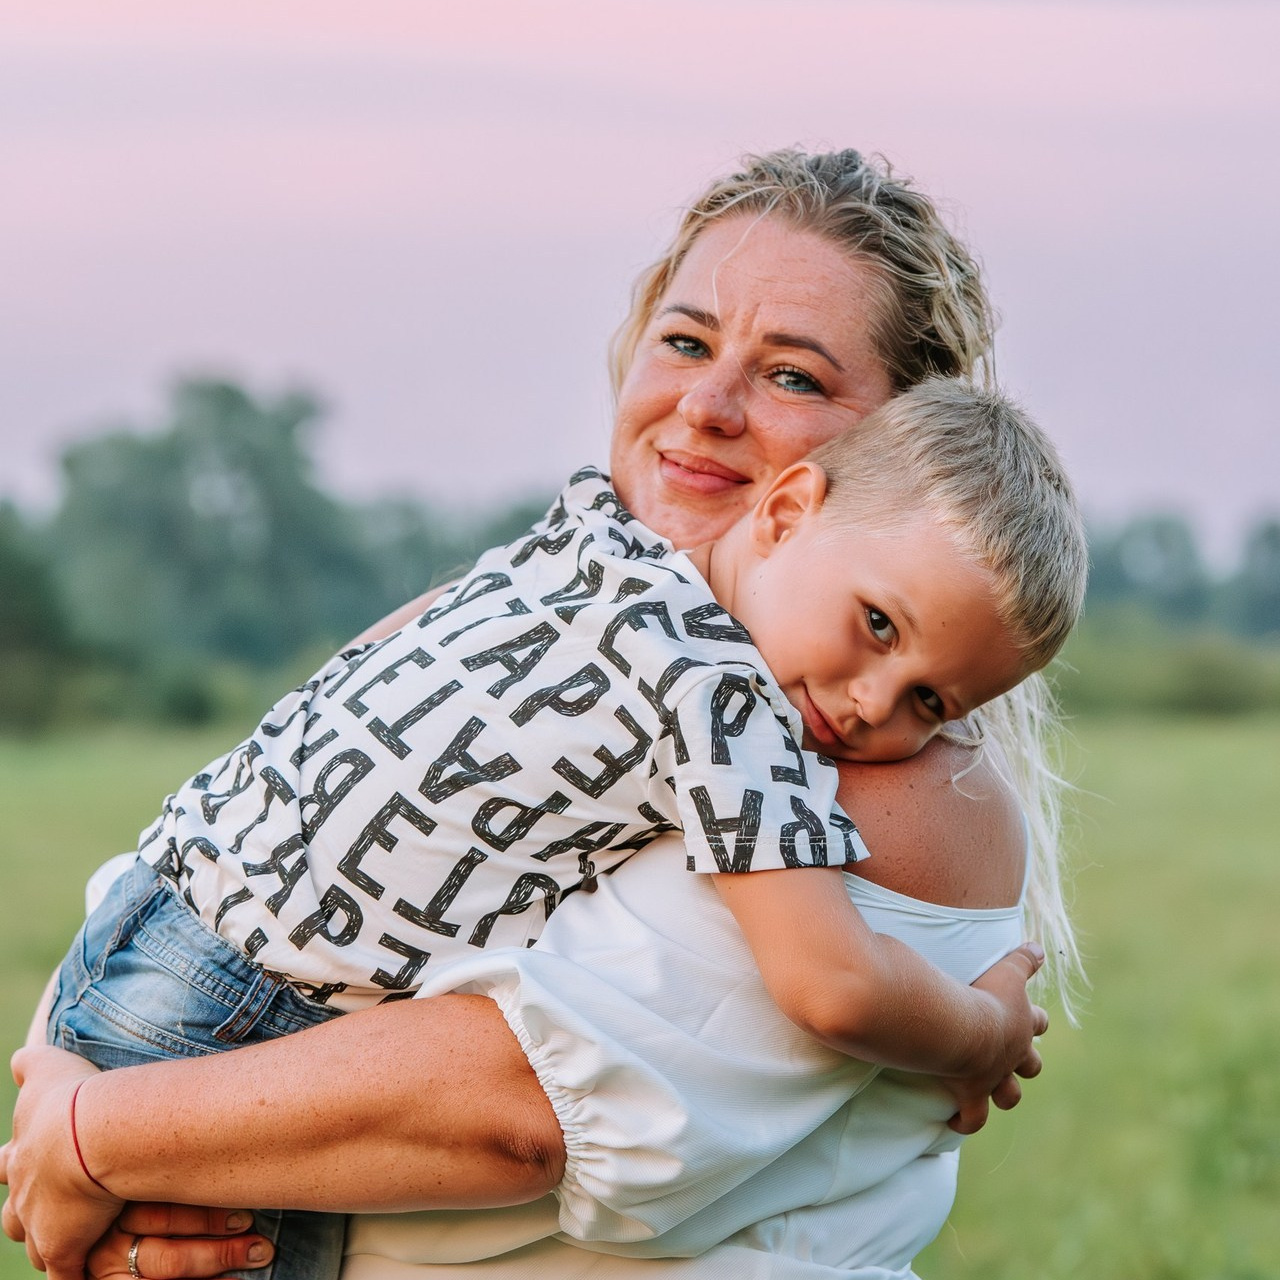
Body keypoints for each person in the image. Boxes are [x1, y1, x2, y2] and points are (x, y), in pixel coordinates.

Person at [2, 147, 1082, 1280]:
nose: (705, 406)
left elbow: (515, 1102)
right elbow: (220, 845)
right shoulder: (586, 611)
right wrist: (75, 1126)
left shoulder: (881, 778)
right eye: (684, 341)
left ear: (895, 445)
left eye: (793, 378)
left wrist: (94, 1125)